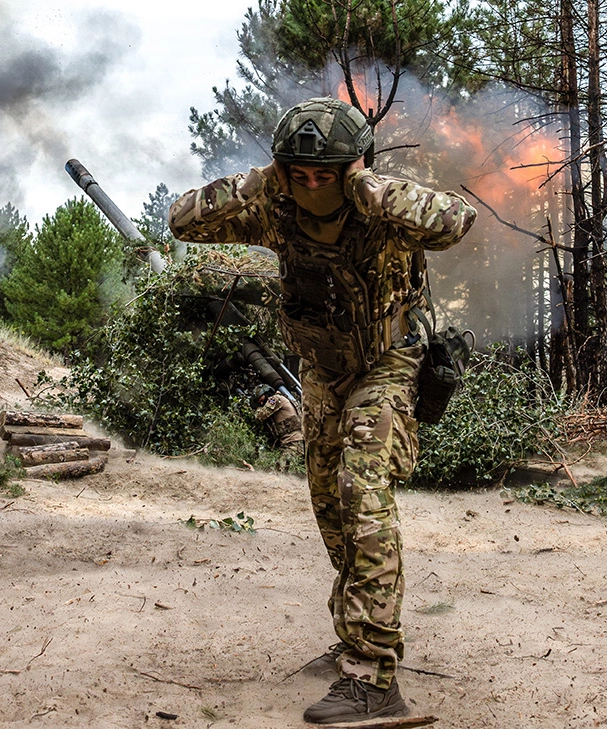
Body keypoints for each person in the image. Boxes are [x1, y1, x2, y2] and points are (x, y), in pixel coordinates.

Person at [168, 97, 477, 724]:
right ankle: (355, 637)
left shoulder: (381, 209)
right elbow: (183, 221)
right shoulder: (274, 207)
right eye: (300, 173)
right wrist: (260, 181)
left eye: (326, 173)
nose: (313, 185)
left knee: (362, 490)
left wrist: (367, 184)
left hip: (390, 364)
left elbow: (455, 221)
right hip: (322, 373)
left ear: (352, 165)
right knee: (330, 507)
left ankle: (373, 677)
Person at [252, 385, 305, 456]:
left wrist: (258, 409)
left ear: (267, 394)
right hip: (292, 441)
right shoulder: (281, 398)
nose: (261, 403)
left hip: (293, 442)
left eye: (262, 400)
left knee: (282, 466)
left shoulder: (275, 399)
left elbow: (259, 416)